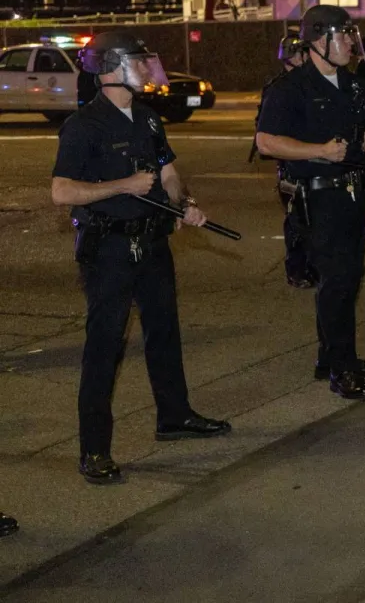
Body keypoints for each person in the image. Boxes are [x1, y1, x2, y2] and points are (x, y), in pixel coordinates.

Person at [51, 31, 232, 484]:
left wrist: (181, 203)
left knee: (164, 332)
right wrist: (121, 187)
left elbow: (169, 173)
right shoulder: (83, 126)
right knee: (104, 348)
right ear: (112, 67)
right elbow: (61, 191)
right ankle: (94, 449)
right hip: (108, 248)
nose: (149, 68)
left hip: (151, 243)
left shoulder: (148, 119)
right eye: (140, 61)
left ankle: (174, 417)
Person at [255, 6, 365, 400]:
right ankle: (341, 367)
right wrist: (318, 150)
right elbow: (266, 142)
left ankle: (329, 356)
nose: (352, 42)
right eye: (345, 35)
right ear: (319, 40)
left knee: (349, 278)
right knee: (337, 279)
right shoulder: (290, 88)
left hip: (352, 192)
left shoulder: (353, 85)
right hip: (316, 196)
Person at [255, 34, 317, 288]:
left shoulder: (308, 83)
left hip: (308, 157)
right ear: (296, 56)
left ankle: (313, 266)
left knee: (314, 218)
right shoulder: (280, 87)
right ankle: (297, 270)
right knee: (297, 219)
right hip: (291, 163)